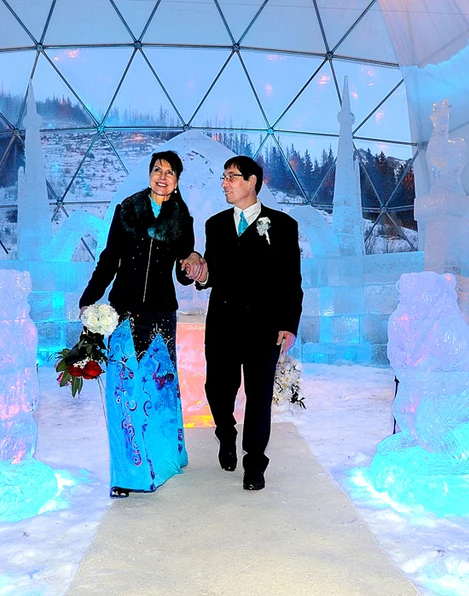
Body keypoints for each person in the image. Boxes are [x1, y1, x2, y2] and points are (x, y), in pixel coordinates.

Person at [79, 150, 205, 496]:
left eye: (170, 173)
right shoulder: (127, 209)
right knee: (123, 392)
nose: (162, 177)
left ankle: (162, 458)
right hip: (124, 311)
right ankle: (126, 473)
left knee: (158, 392)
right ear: (149, 174)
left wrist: (191, 265)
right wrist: (89, 299)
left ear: (178, 181)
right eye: (157, 170)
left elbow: (183, 273)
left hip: (162, 313)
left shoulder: (183, 218)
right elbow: (109, 260)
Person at [192, 155, 303, 491]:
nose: (225, 183)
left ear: (253, 181)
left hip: (264, 326)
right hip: (223, 323)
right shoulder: (214, 224)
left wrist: (289, 323)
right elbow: (211, 273)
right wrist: (200, 273)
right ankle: (226, 434)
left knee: (258, 396)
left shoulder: (283, 225)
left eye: (232, 177)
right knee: (217, 390)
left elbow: (290, 279)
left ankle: (254, 463)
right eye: (224, 177)